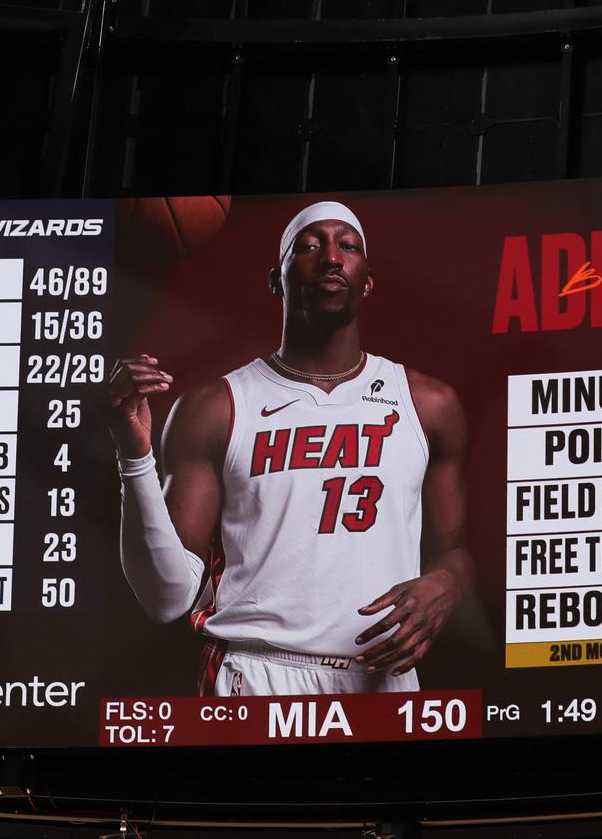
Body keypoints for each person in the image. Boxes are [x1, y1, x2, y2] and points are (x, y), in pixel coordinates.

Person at [109, 200, 473, 697]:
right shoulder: (217, 408)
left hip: (381, 678)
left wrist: (447, 584)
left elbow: (453, 552)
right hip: (259, 673)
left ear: (367, 281)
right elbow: (166, 598)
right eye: (309, 246)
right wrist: (134, 457)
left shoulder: (428, 404)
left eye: (348, 246)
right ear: (275, 280)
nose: (331, 257)